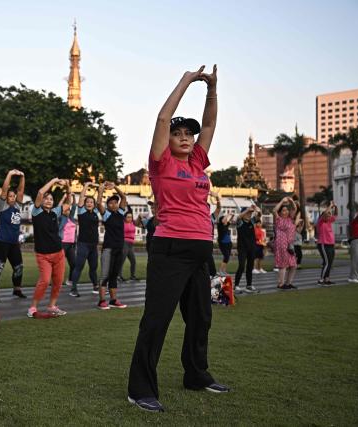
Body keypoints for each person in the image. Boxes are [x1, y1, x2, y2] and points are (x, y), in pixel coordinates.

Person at [128, 65, 228, 414]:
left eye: (189, 133)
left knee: (201, 317)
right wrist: (188, 80)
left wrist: (212, 89)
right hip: (170, 248)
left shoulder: (198, 162)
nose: (185, 137)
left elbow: (211, 125)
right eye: (179, 133)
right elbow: (162, 117)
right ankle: (140, 389)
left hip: (201, 250)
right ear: (169, 140)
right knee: (157, 320)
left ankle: (196, 375)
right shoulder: (161, 163)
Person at [27, 178, 70, 318]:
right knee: (45, 281)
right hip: (43, 255)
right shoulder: (36, 212)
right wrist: (55, 181)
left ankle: (52, 306)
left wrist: (68, 186)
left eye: (51, 199)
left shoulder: (55, 212)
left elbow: (68, 202)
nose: (48, 201)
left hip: (58, 253)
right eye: (46, 199)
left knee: (58, 282)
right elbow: (40, 192)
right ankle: (33, 307)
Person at [0, 169, 27, 301]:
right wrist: (10, 174)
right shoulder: (3, 206)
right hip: (2, 242)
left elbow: (21, 190)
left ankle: (17, 290)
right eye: (10, 196)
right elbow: (4, 190)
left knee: (19, 267)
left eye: (13, 196)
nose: (12, 197)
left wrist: (22, 176)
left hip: (14, 243)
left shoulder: (17, 206)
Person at [97, 181, 128, 310]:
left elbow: (124, 197)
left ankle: (113, 300)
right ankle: (102, 301)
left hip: (119, 248)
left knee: (114, 275)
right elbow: (98, 203)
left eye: (115, 202)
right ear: (108, 205)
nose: (114, 204)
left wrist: (115, 186)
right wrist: (101, 189)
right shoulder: (107, 215)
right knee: (105, 275)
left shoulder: (121, 213)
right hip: (108, 248)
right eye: (111, 202)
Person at [69, 182, 101, 298]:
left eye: (91, 202)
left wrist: (100, 188)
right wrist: (86, 186)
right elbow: (81, 197)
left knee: (93, 267)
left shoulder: (96, 213)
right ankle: (73, 289)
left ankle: (95, 286)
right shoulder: (82, 212)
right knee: (79, 266)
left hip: (93, 245)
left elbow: (99, 200)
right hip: (83, 244)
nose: (89, 203)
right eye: (87, 202)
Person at [273, 197, 298, 290]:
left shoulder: (290, 219)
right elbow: (274, 210)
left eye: (287, 210)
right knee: (283, 264)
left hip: (290, 244)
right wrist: (282, 201)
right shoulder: (278, 219)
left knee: (293, 264)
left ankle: (288, 283)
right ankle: (280, 283)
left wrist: (291, 201)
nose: (286, 212)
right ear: (280, 212)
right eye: (283, 210)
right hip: (281, 244)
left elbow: (294, 208)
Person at [234, 205, 260, 293]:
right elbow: (238, 217)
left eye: (250, 213)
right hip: (242, 248)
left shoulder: (252, 222)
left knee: (250, 266)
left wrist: (256, 210)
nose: (249, 214)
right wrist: (247, 210)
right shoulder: (240, 222)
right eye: (248, 213)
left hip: (251, 247)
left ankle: (249, 285)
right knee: (241, 266)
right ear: (244, 213)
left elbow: (259, 215)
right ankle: (236, 285)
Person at [58, 193, 78, 288]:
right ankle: (56, 281)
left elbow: (74, 206)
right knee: (59, 265)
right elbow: (58, 208)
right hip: (62, 244)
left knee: (73, 264)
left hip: (71, 245)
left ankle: (70, 280)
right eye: (66, 210)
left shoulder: (72, 219)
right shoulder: (61, 218)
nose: (68, 211)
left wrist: (74, 197)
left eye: (68, 210)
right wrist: (63, 197)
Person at [316, 201, 337, 286]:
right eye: (328, 214)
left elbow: (335, 215)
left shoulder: (329, 221)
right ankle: (321, 280)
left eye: (330, 214)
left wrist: (335, 207)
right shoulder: (320, 222)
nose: (329, 215)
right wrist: (330, 206)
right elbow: (325, 213)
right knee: (327, 262)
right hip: (323, 244)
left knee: (330, 262)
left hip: (331, 244)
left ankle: (327, 279)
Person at [121, 211, 138, 281]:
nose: (130, 218)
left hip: (131, 244)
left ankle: (132, 276)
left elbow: (139, 222)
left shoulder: (133, 223)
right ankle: (119, 276)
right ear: (124, 218)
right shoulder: (122, 224)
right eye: (128, 217)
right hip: (124, 243)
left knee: (133, 261)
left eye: (131, 217)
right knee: (122, 261)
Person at [216, 212, 234, 277]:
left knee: (227, 257)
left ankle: (224, 271)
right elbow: (224, 220)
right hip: (223, 243)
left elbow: (230, 220)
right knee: (226, 256)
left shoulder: (226, 225)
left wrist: (232, 215)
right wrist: (228, 214)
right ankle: (220, 271)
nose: (226, 220)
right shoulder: (220, 225)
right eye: (224, 219)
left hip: (229, 243)